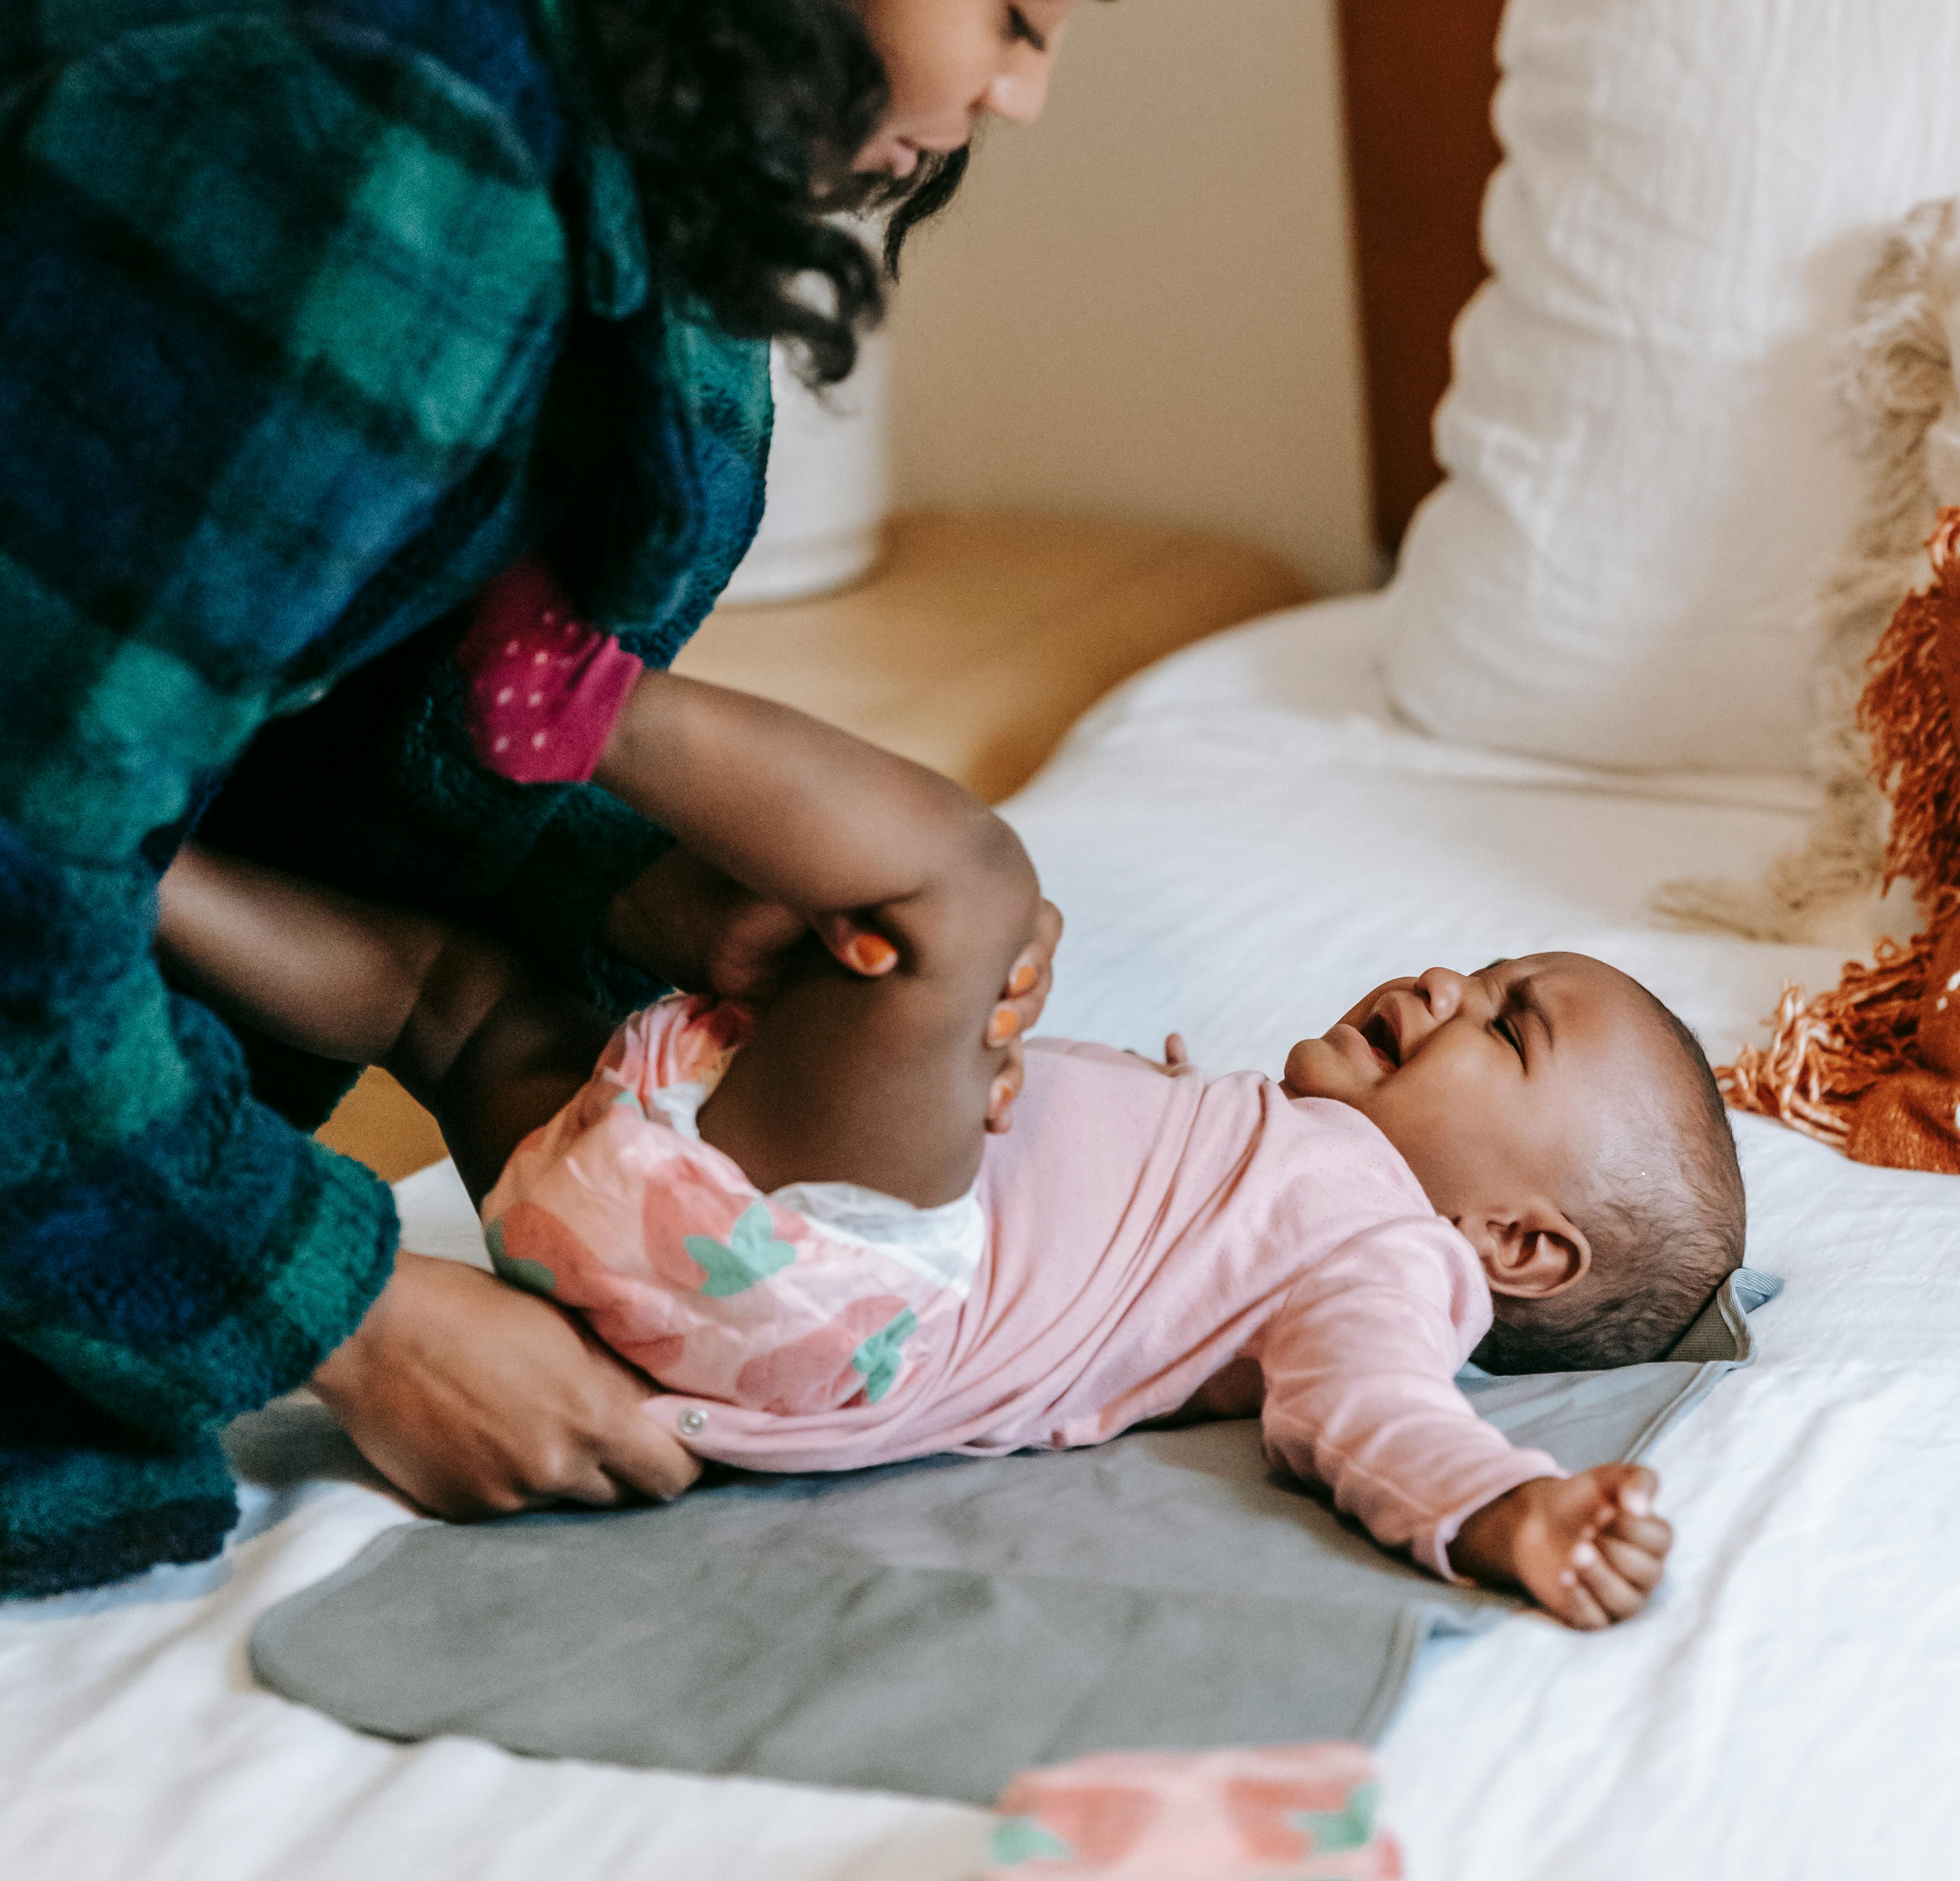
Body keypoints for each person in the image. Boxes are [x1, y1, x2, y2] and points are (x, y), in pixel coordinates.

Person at [0, 0, 1214, 1596]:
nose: (1014, 96)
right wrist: (345, 1312)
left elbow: (229, 614)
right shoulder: (384, 135)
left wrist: (625, 889)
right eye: (1026, 7)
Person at [159, 556, 1746, 1629]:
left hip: (843, 1291)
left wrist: (1509, 1517)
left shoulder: (1388, 1255)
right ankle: (115, 872)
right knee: (453, 997)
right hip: (718, 1230)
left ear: (1518, 1250)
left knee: (965, 886)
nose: (1449, 987)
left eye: (1509, 1027)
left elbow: (1378, 1416)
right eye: (1488, 966)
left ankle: (570, 696)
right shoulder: (1269, 1170)